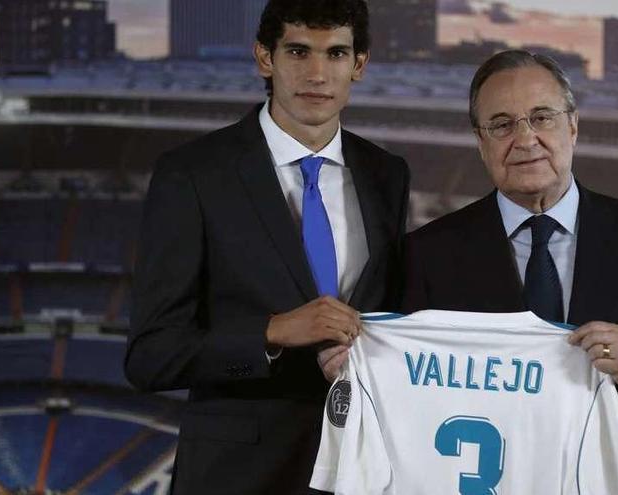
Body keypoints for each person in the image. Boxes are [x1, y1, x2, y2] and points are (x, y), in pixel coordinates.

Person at [401, 50, 618, 494]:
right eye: (501, 125)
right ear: (480, 142)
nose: (524, 139)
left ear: (572, 126)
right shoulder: (428, 252)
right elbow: (408, 394)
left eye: (542, 117)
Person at [124, 0, 409, 492]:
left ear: (359, 64)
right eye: (298, 51)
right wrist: (273, 332)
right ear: (264, 58)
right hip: (238, 475)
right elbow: (152, 356)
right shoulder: (192, 174)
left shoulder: (388, 174)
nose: (317, 73)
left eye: (336, 54)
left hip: (360, 467)